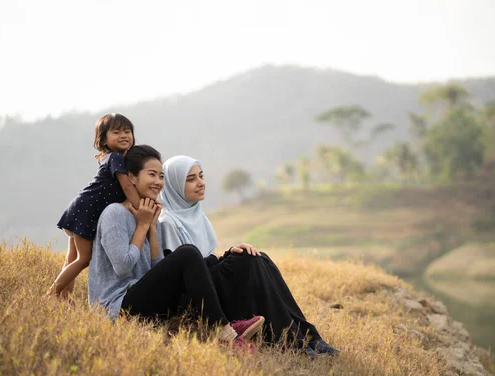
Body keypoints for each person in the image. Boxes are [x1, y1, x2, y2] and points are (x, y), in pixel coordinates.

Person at [158, 155, 339, 357]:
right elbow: (186, 273)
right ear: (173, 185)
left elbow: (206, 258)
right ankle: (292, 342)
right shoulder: (168, 222)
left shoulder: (196, 214)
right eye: (190, 179)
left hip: (209, 280)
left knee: (260, 258)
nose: (201, 183)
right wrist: (230, 259)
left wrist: (229, 252)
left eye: (201, 176)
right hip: (198, 299)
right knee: (245, 259)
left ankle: (310, 336)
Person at [88, 145, 264, 348]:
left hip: (144, 301)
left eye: (161, 176)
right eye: (152, 174)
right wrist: (142, 226)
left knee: (210, 262)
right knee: (188, 253)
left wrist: (152, 228)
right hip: (116, 309)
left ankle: (231, 326)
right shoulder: (114, 214)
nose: (158, 182)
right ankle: (225, 333)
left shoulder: (153, 218)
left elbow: (157, 270)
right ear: (132, 178)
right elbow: (123, 267)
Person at [48, 113, 141, 299]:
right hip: (86, 211)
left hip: (80, 206)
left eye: (127, 131)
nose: (124, 135)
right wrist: (140, 208)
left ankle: (64, 299)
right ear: (103, 138)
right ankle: (51, 294)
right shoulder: (115, 157)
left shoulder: (110, 157)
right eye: (116, 132)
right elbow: (127, 186)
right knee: (83, 259)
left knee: (72, 258)